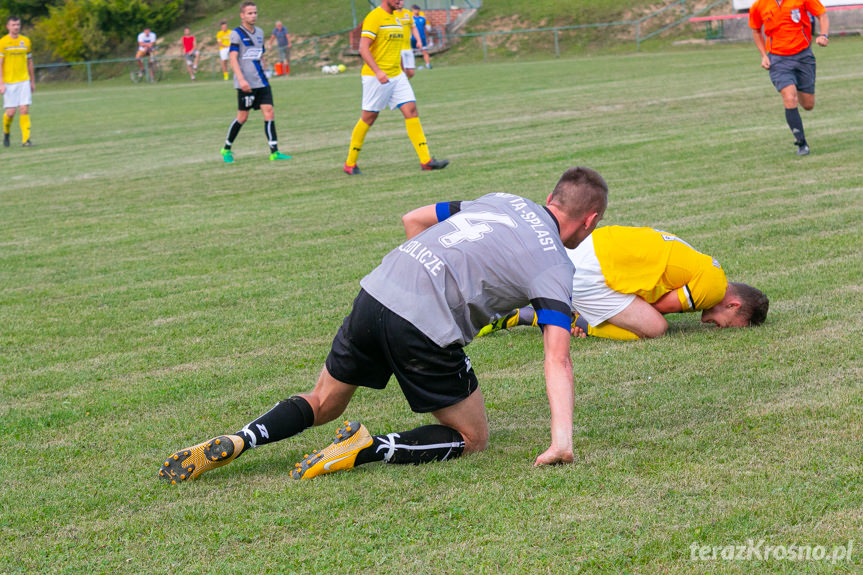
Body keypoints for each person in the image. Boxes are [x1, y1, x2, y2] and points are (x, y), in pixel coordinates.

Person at [158, 167, 609, 484]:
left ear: (551, 197)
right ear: (589, 221)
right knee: (473, 438)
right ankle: (367, 448)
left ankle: (241, 439)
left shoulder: (501, 200)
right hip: (422, 325)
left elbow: (413, 218)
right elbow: (558, 359)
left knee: (323, 401)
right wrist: (561, 442)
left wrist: (424, 279)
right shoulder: (555, 264)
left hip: (378, 289)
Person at [480, 226, 769, 341]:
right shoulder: (714, 287)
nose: (717, 326)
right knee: (654, 329)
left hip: (590, 245)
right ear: (733, 304)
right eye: (729, 323)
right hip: (592, 271)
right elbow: (654, 310)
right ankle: (552, 318)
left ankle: (546, 303)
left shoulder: (708, 264)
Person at [343, 0, 448, 175]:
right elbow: (363, 48)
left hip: (397, 75)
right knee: (369, 117)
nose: (401, 1)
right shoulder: (375, 17)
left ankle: (426, 160)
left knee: (411, 110)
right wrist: (377, 71)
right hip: (376, 77)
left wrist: (402, 68)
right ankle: (350, 163)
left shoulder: (397, 18)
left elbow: (394, 48)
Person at [749, 0, 829, 157]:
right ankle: (801, 143)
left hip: (803, 56)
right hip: (778, 60)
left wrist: (823, 35)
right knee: (789, 97)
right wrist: (764, 55)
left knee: (808, 105)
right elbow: (756, 30)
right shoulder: (758, 6)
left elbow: (822, 15)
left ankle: (796, 85)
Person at [220, 1, 291, 163]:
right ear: (242, 15)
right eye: (250, 13)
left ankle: (274, 151)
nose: (253, 16)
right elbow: (233, 58)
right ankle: (226, 148)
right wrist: (241, 79)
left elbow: (260, 54)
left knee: (269, 111)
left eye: (255, 13)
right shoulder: (236, 34)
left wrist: (265, 68)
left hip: (261, 81)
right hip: (245, 83)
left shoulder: (259, 32)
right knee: (242, 117)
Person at [0, 16, 34, 147]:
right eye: (13, 25)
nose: (16, 27)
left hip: (24, 80)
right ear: (8, 26)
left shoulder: (25, 41)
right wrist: (1, 83)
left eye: (18, 24)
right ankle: (6, 132)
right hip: (9, 82)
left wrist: (32, 81)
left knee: (24, 109)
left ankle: (26, 140)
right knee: (10, 112)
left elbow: (30, 62)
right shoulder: (3, 42)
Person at [398, 3, 423, 79]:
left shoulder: (407, 13)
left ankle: (404, 84)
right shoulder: (392, 13)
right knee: (402, 72)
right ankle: (403, 88)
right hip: (398, 48)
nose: (399, 2)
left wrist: (419, 40)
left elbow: (413, 28)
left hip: (408, 47)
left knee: (411, 73)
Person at [411, 5, 432, 70]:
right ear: (413, 10)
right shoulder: (411, 18)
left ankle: (428, 65)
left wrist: (427, 37)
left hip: (422, 38)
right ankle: (412, 66)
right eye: (415, 9)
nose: (416, 11)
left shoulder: (423, 18)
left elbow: (425, 28)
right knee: (412, 52)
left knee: (425, 51)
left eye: (418, 9)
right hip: (413, 38)